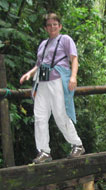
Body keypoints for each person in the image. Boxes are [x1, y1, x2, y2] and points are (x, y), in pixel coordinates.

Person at [20, 13, 85, 164]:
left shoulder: (65, 39)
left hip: (57, 80)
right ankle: (43, 151)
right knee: (39, 116)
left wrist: (73, 77)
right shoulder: (43, 44)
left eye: (55, 24)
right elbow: (39, 64)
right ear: (45, 28)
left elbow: (74, 59)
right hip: (42, 82)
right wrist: (29, 74)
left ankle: (77, 144)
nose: (52, 27)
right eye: (49, 25)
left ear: (60, 26)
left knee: (61, 114)